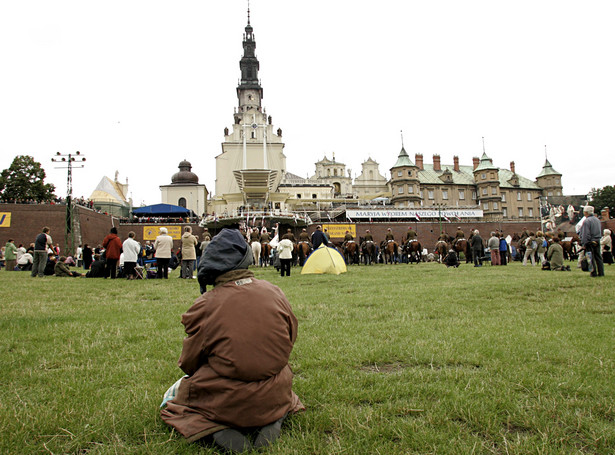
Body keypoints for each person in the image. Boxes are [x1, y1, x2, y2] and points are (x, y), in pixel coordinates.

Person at [161, 229, 304, 452]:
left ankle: (216, 430)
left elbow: (189, 363)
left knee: (173, 399)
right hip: (275, 389)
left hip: (226, 399)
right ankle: (275, 418)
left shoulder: (206, 304)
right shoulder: (275, 291)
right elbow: (290, 338)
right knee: (282, 389)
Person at [579, 205, 604, 277]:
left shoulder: (587, 221)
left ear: (586, 212)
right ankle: (601, 272)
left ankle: (593, 272)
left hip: (590, 241)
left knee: (590, 257)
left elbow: (585, 233)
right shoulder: (597, 220)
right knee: (598, 257)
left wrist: (584, 243)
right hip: (597, 240)